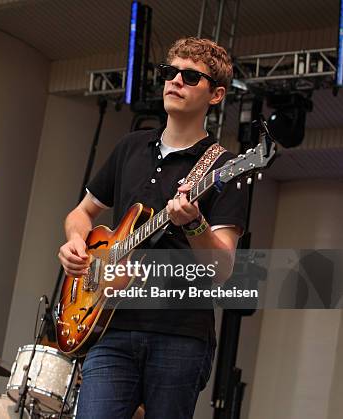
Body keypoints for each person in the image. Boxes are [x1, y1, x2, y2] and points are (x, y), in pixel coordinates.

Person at [58, 38, 248, 418]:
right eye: (169, 72)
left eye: (191, 76)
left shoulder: (227, 168)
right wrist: (76, 242)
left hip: (179, 332)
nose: (175, 81)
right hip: (109, 326)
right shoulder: (130, 147)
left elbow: (224, 268)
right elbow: (81, 212)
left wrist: (194, 224)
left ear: (216, 94)